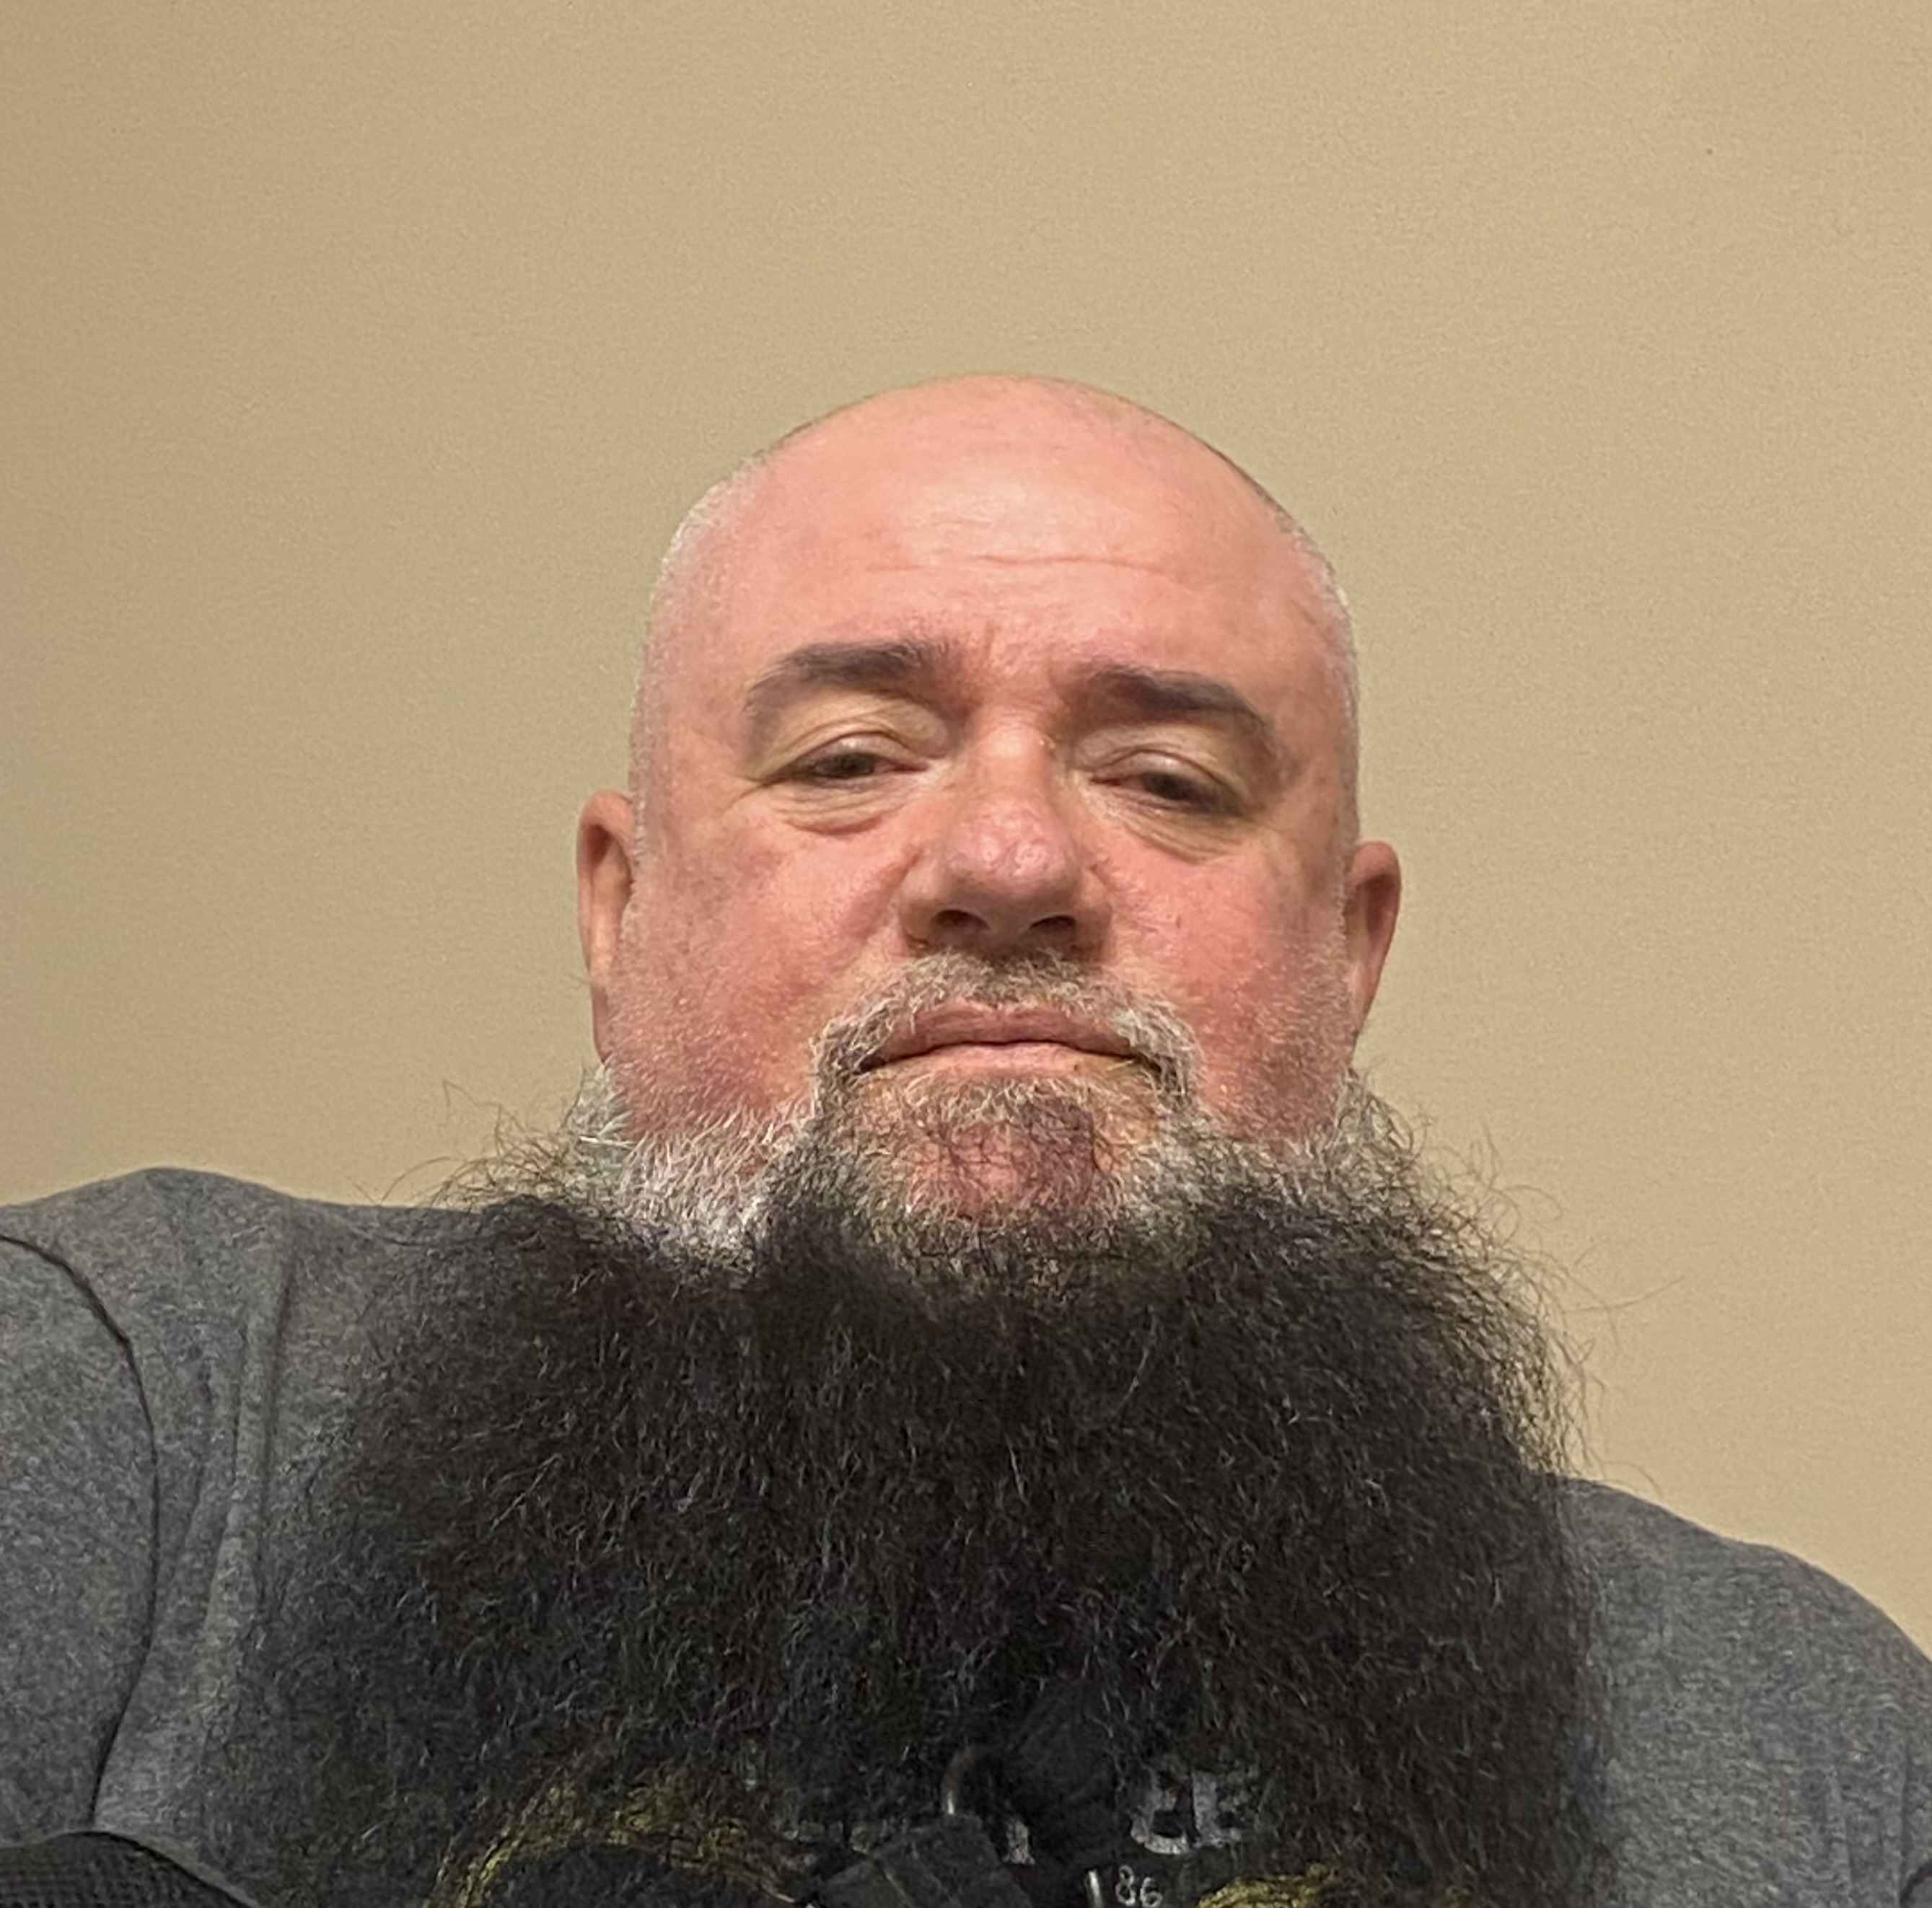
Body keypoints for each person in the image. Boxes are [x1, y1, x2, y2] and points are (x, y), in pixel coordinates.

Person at [2, 375, 1928, 1908]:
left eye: (1169, 781)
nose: (1009, 861)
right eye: (849, 758)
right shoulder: (142, 1406)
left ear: (1348, 959)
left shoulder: (1813, 1746)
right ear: (619, 909)